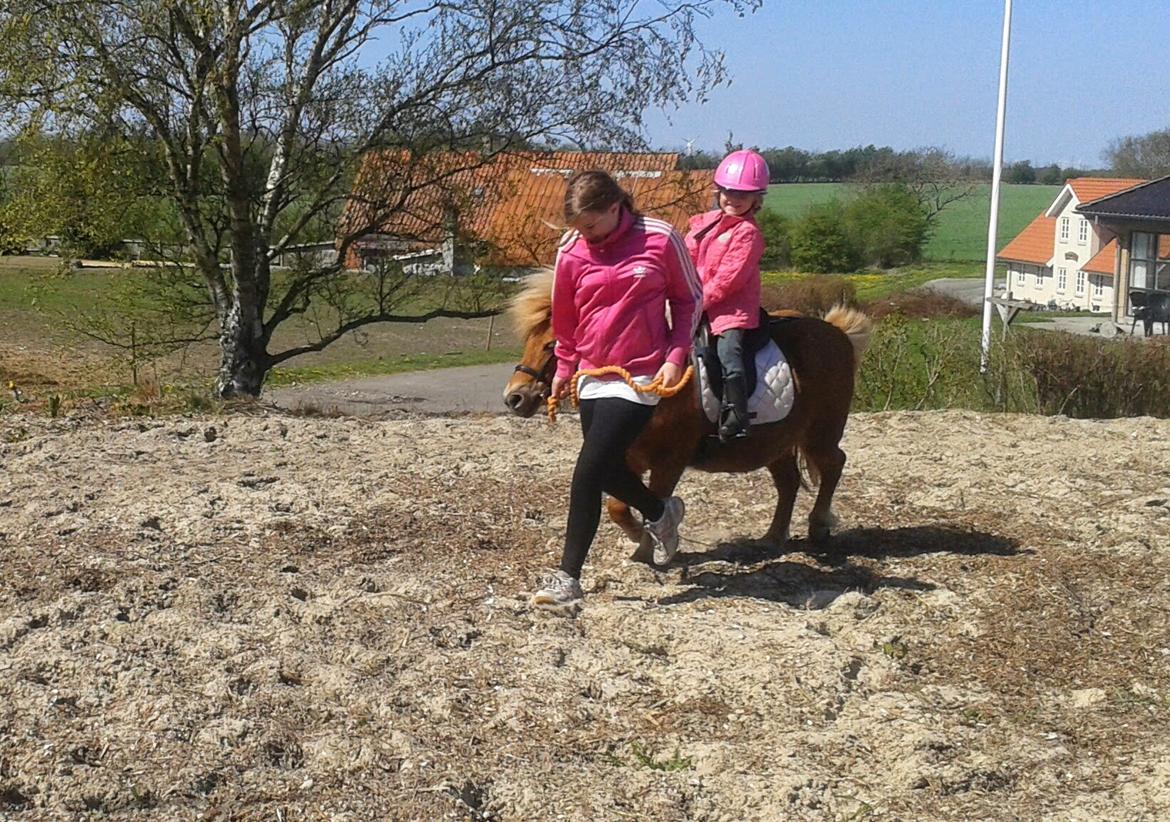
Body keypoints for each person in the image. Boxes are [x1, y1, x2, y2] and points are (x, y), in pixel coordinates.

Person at [531, 170, 702, 612]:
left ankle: (568, 578)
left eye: (589, 225)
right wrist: (565, 367)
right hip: (592, 371)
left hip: (642, 376)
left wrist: (675, 355)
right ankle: (661, 513)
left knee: (588, 470)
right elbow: (565, 316)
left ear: (615, 208)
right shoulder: (572, 249)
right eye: (576, 227)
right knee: (606, 470)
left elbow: (689, 299)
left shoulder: (661, 239)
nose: (583, 235)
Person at [684, 149, 769, 443]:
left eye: (742, 195)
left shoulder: (749, 234)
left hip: (730, 311)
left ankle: (737, 414)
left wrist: (693, 303)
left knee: (728, 353)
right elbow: (686, 258)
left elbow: (727, 281)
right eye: (728, 192)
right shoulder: (703, 224)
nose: (733, 199)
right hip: (695, 303)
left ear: (756, 200)